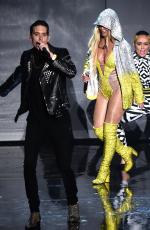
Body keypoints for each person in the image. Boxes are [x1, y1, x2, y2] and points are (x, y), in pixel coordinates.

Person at [0, 20, 80, 229]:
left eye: (44, 34)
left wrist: (52, 56)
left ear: (49, 37)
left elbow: (71, 71)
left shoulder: (60, 52)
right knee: (28, 166)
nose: (40, 38)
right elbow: (18, 75)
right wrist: (2, 90)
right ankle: (34, 211)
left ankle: (73, 204)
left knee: (64, 166)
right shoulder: (27, 56)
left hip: (58, 119)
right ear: (31, 37)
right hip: (35, 121)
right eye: (36, 34)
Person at [82, 8, 144, 185]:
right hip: (103, 89)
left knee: (109, 131)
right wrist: (86, 73)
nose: (102, 27)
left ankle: (104, 171)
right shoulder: (94, 43)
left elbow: (132, 72)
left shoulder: (121, 45)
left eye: (105, 24)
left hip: (119, 88)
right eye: (100, 24)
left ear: (113, 24)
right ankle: (125, 152)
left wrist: (139, 96)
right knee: (98, 129)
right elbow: (88, 62)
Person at [117, 30, 150, 185]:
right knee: (116, 123)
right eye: (139, 44)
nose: (142, 47)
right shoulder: (128, 60)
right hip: (139, 100)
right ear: (134, 44)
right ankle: (125, 156)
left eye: (146, 44)